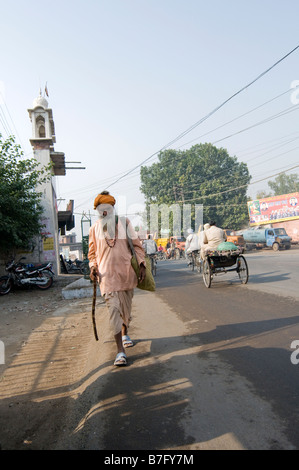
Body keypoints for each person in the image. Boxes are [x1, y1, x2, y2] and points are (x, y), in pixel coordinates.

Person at [88, 191, 146, 367]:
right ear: (97, 211)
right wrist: (92, 267)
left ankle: (125, 332)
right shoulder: (94, 229)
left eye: (108, 208)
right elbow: (91, 254)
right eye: (101, 209)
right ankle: (120, 351)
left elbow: (137, 246)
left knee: (125, 311)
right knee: (113, 311)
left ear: (113, 209)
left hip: (126, 275)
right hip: (106, 278)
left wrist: (142, 265)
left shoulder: (124, 223)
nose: (104, 212)